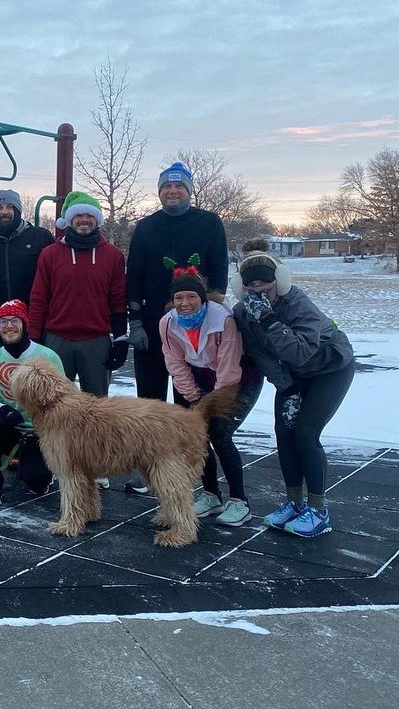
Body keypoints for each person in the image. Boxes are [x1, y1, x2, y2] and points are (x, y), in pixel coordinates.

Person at [231, 238, 355, 538]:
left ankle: (318, 508)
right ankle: (294, 502)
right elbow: (259, 354)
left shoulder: (298, 304)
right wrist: (286, 386)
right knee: (284, 433)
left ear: (279, 284)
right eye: (251, 289)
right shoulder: (242, 313)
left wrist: (271, 321)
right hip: (292, 376)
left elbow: (300, 352)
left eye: (265, 288)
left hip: (330, 369)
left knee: (305, 433)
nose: (258, 294)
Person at [160, 267, 262, 527]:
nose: (185, 304)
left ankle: (240, 501)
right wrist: (193, 396)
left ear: (202, 298)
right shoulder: (168, 323)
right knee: (195, 434)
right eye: (179, 298)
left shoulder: (222, 319)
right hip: (197, 379)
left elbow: (229, 367)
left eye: (191, 297)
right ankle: (210, 495)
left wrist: (209, 403)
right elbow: (175, 362)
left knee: (218, 432)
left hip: (237, 379)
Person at [126, 161, 229, 400]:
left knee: (191, 394)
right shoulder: (145, 227)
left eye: (179, 185)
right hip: (154, 321)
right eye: (167, 186)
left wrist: (214, 317)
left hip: (195, 322)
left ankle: (190, 437)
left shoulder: (209, 223)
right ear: (160, 192)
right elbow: (134, 275)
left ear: (189, 191)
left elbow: (219, 272)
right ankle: (153, 438)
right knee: (150, 399)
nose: (172, 190)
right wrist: (137, 321)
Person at [28, 190, 128, 397]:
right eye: (78, 216)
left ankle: (96, 432)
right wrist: (34, 340)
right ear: (69, 220)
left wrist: (120, 338)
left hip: (96, 340)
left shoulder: (113, 256)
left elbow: (118, 300)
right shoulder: (50, 254)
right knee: (53, 401)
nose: (84, 220)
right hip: (57, 339)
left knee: (97, 406)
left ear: (97, 220)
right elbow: (39, 299)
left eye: (90, 216)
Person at [0, 299, 65, 506]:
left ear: (25, 324)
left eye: (14, 320)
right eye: (2, 322)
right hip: (9, 428)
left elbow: (65, 398)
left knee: (36, 483)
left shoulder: (47, 356)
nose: (8, 326)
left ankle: (42, 471)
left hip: (40, 433)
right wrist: (2, 409)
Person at [0, 190, 55, 352]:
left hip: (37, 324)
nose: (4, 212)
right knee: (5, 375)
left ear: (18, 210)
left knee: (36, 374)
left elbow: (54, 281)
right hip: (4, 326)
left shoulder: (40, 238)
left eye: (9, 207)